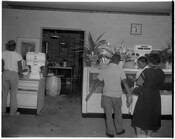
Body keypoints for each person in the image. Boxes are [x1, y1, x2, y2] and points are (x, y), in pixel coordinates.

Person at [86, 53, 132, 137]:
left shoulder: (105, 69)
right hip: (117, 96)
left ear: (111, 60)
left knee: (108, 114)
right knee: (118, 113)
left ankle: (110, 132)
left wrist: (90, 93)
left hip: (106, 95)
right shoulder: (120, 70)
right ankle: (119, 130)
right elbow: (124, 82)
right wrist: (129, 94)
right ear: (118, 61)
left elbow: (97, 82)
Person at [131, 53, 165, 137]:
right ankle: (148, 136)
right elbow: (161, 84)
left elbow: (138, 83)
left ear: (149, 62)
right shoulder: (161, 72)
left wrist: (144, 84)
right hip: (155, 95)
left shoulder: (146, 71)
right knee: (152, 115)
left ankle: (139, 135)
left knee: (139, 114)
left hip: (145, 94)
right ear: (158, 62)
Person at [2, 40, 24, 116]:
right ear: (14, 46)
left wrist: (3, 70)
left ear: (8, 46)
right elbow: (20, 67)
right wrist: (21, 74)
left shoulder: (3, 53)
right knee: (13, 94)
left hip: (5, 74)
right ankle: (12, 113)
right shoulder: (18, 55)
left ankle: (2, 111)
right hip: (14, 75)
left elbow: (1, 64)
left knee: (4, 94)